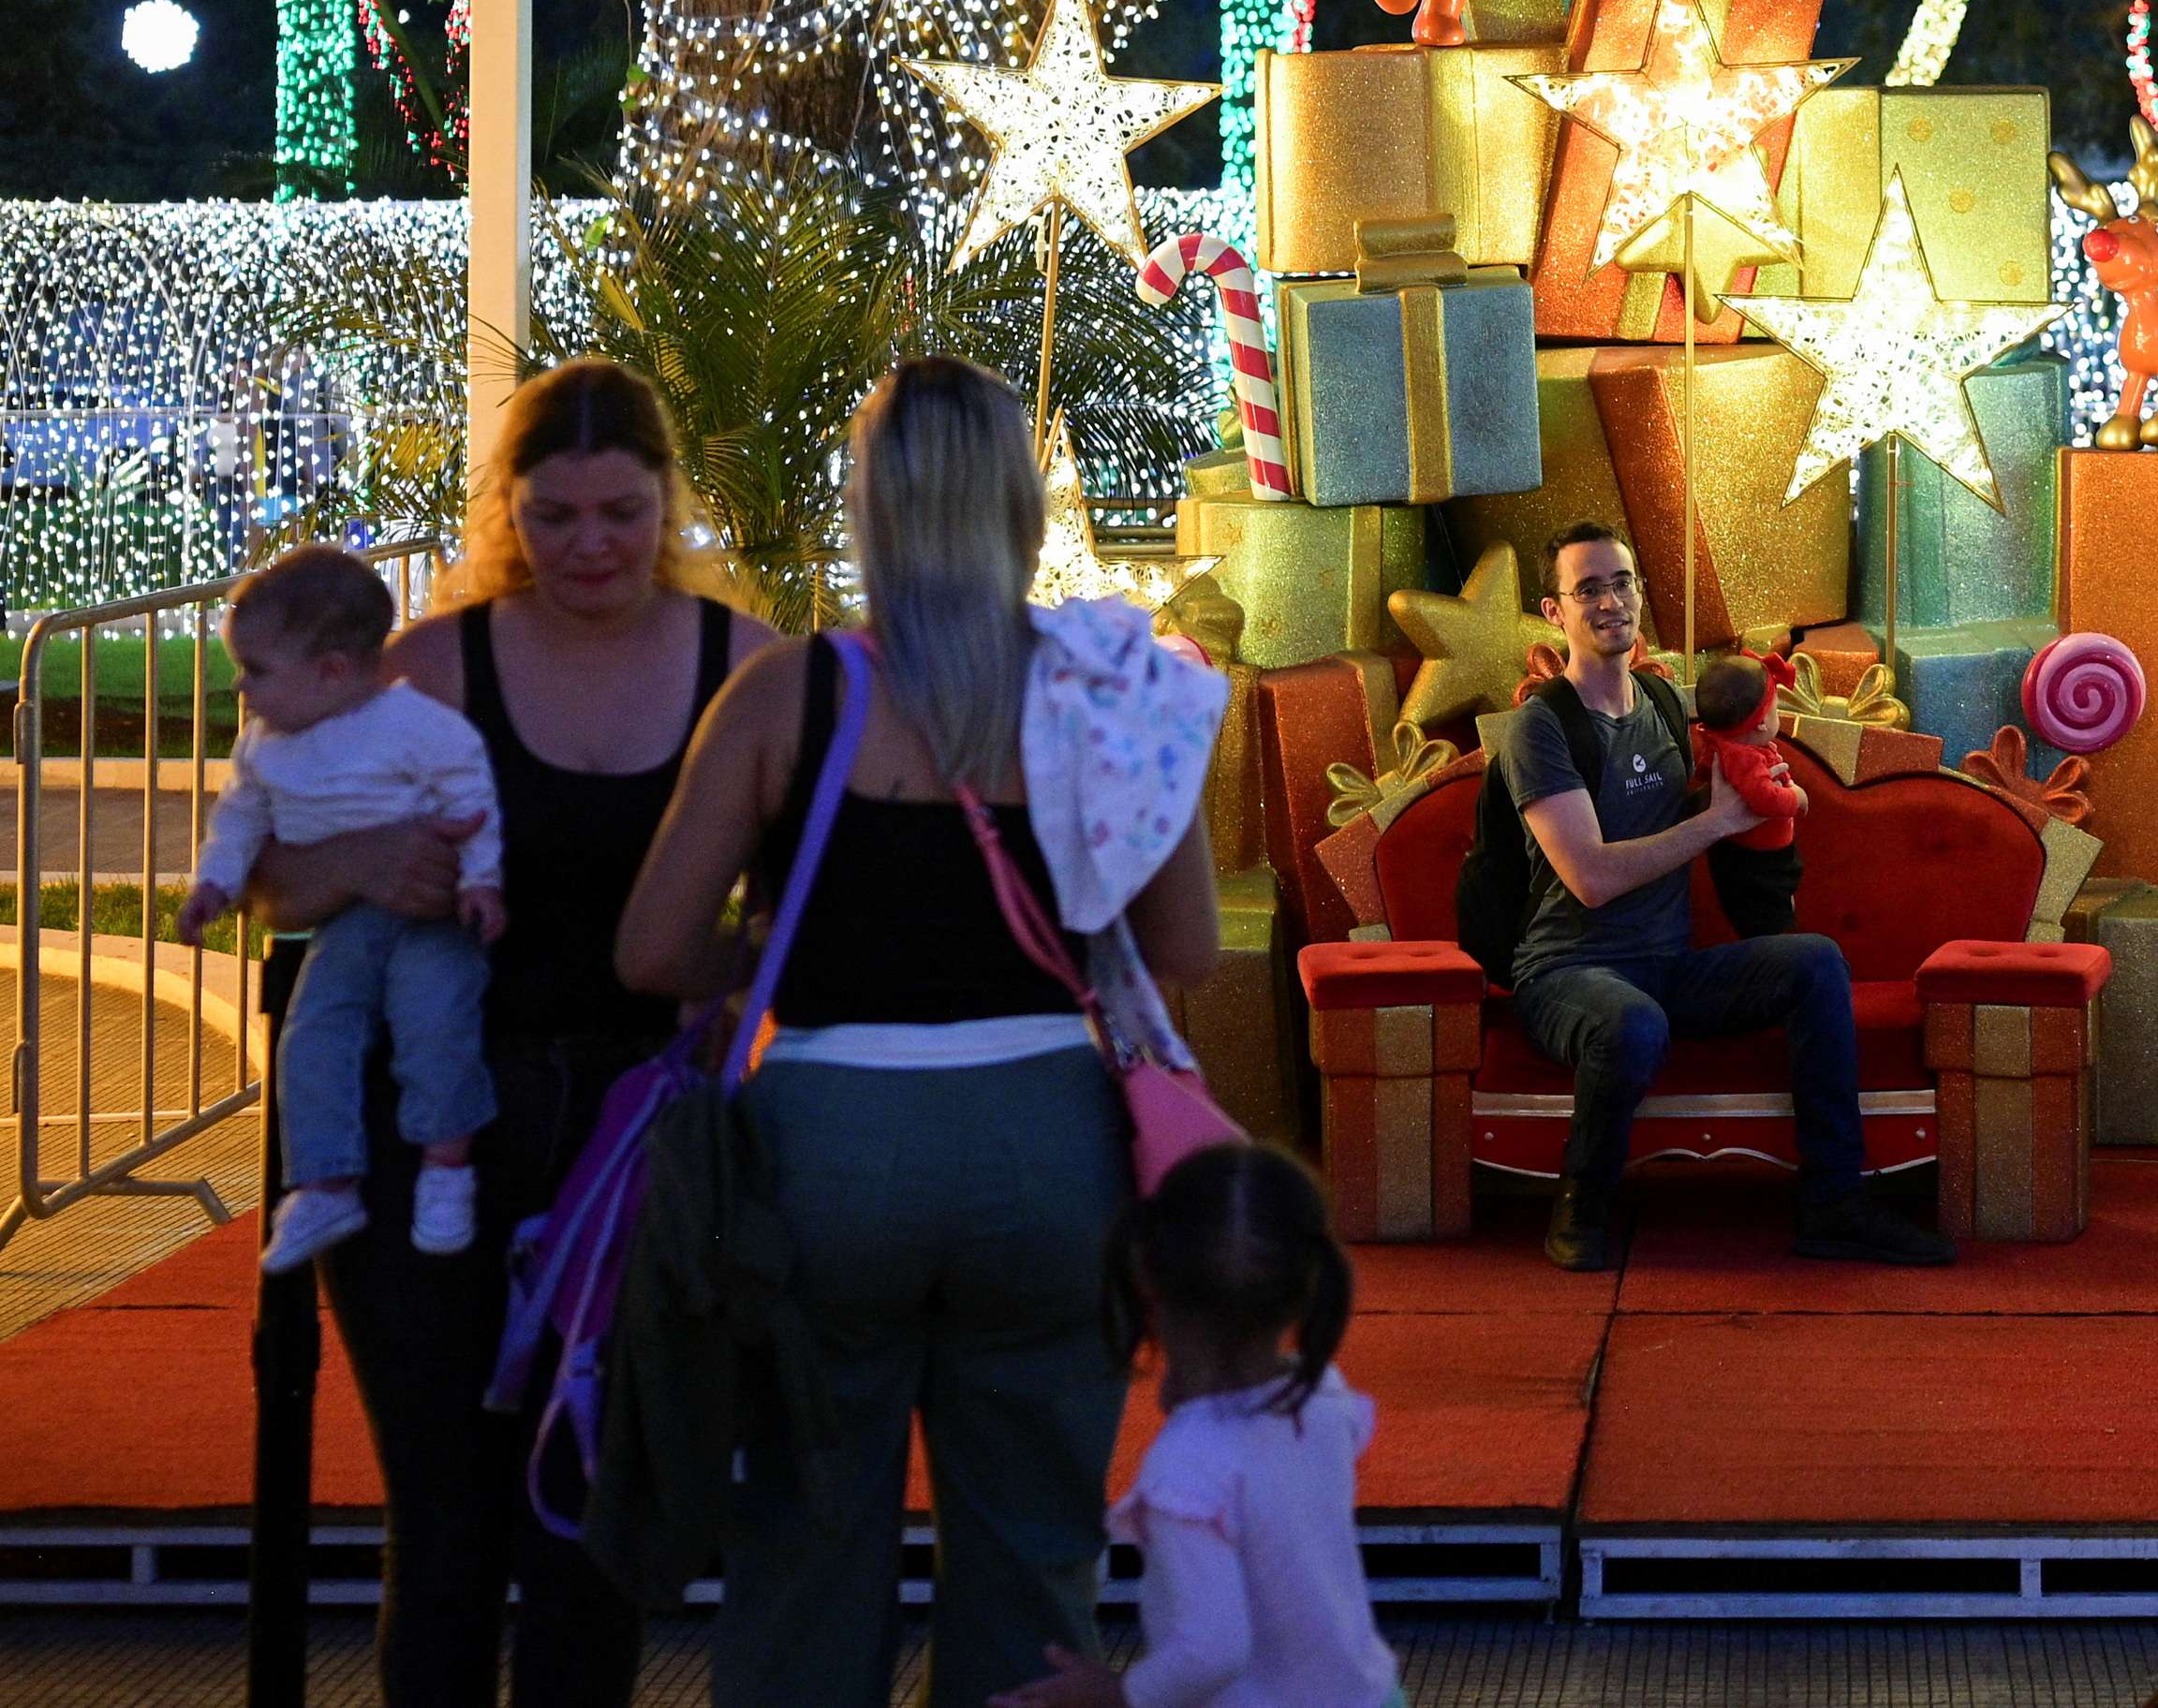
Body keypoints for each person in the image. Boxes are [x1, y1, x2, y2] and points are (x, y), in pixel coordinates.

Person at [617, 356, 1225, 1708]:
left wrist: (768, 962)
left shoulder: (790, 696)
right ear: (1019, 502)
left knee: (807, 1534)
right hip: (1052, 1148)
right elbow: (1189, 949)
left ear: (872, 506)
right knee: (1030, 1546)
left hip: (828, 1147)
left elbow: (651, 947)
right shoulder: (1107, 691)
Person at [241, 356, 773, 1708]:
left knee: (582, 1516)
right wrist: (364, 852)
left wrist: (730, 975)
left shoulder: (740, 667)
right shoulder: (437, 666)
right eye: (556, 517)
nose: (589, 545)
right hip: (427, 1127)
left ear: (668, 504)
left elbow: (803, 909)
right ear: (509, 515)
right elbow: (270, 879)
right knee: (450, 1516)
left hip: (625, 1146)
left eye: (619, 512)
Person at [1503, 521, 1951, 1273]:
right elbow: (1591, 875)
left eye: (1621, 582)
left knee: (1815, 963)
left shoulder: (1665, 704)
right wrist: (1717, 822)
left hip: (1667, 965)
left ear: (1640, 592)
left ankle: (1835, 1202)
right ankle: (1583, 1199)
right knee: (1632, 1023)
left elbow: (1750, 746)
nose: (1610, 600)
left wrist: (1772, 796)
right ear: (1556, 612)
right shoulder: (1542, 726)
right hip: (1567, 973)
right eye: (1588, 589)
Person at [182, 546, 506, 1272]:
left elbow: (470, 798)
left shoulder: (417, 727)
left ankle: (446, 1163)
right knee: (312, 1033)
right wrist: (214, 883)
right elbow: (239, 819)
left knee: (437, 1015)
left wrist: (481, 881)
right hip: (349, 917)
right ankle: (326, 1181)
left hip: (432, 911)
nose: (243, 687)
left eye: (257, 669)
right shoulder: (263, 747)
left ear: (330, 670)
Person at [990, 1142, 1404, 1708]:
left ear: (1148, 1284)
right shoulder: (1321, 1396)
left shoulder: (1186, 1468)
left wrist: (1119, 1693)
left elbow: (1211, 1649)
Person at [1688, 651, 1802, 851]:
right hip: (1757, 858)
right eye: (1775, 710)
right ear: (1762, 723)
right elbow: (1765, 800)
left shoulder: (1726, 744)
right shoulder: (1744, 758)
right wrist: (1797, 798)